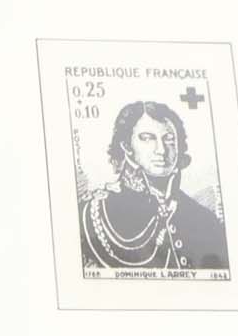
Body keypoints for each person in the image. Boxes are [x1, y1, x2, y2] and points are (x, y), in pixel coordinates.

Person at [81, 100, 229, 271]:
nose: (161, 150)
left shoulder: (203, 220)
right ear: (126, 146)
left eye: (169, 140)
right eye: (147, 138)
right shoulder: (92, 213)